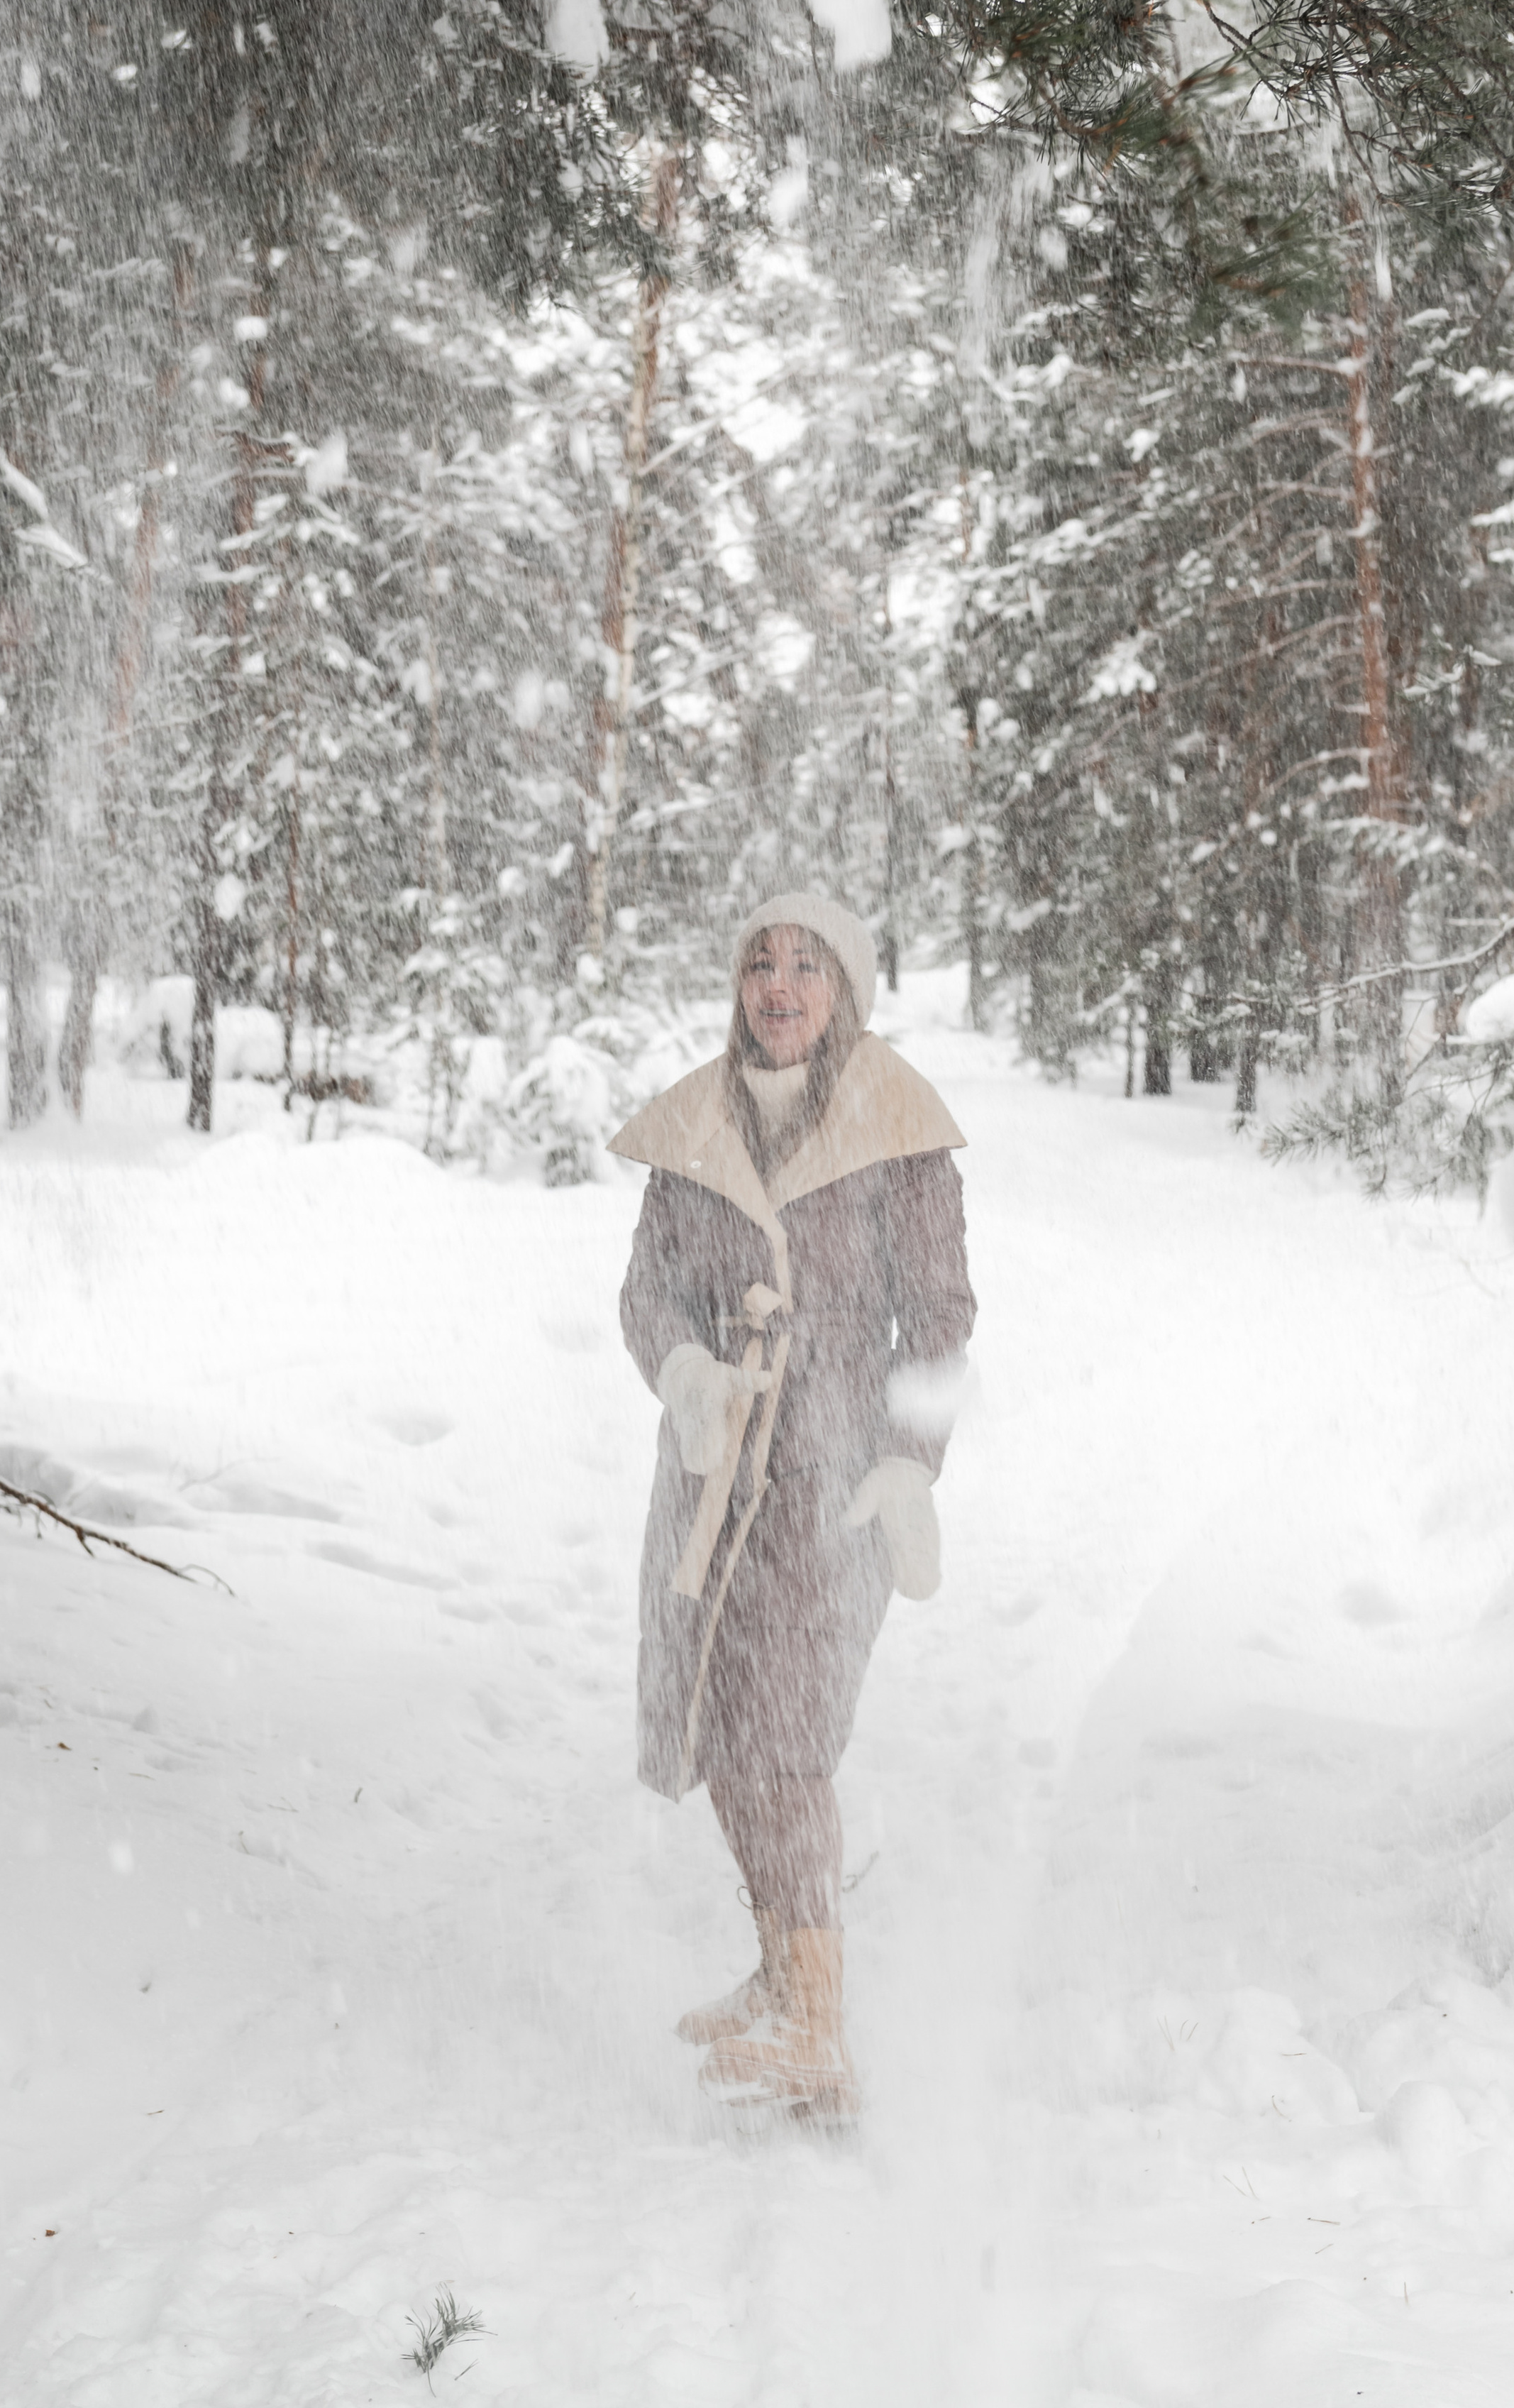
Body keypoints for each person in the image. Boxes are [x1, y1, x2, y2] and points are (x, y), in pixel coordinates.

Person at [611, 891, 976, 2118]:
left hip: (832, 1477)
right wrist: (685, 1372)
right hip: (714, 1479)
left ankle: (818, 2030)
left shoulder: (895, 1124)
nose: (779, 987)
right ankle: (779, 1978)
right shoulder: (699, 1121)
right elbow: (647, 1288)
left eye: (806, 969)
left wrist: (913, 1462)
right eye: (761, 964)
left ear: (846, 993)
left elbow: (939, 1317)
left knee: (786, 1745)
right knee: (723, 1728)